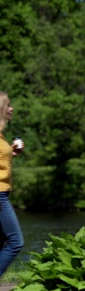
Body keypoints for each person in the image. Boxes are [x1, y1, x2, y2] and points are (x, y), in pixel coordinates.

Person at [0, 92, 25, 278]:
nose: (12, 109)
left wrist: (12, 153)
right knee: (16, 241)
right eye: (8, 105)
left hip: (3, 192)